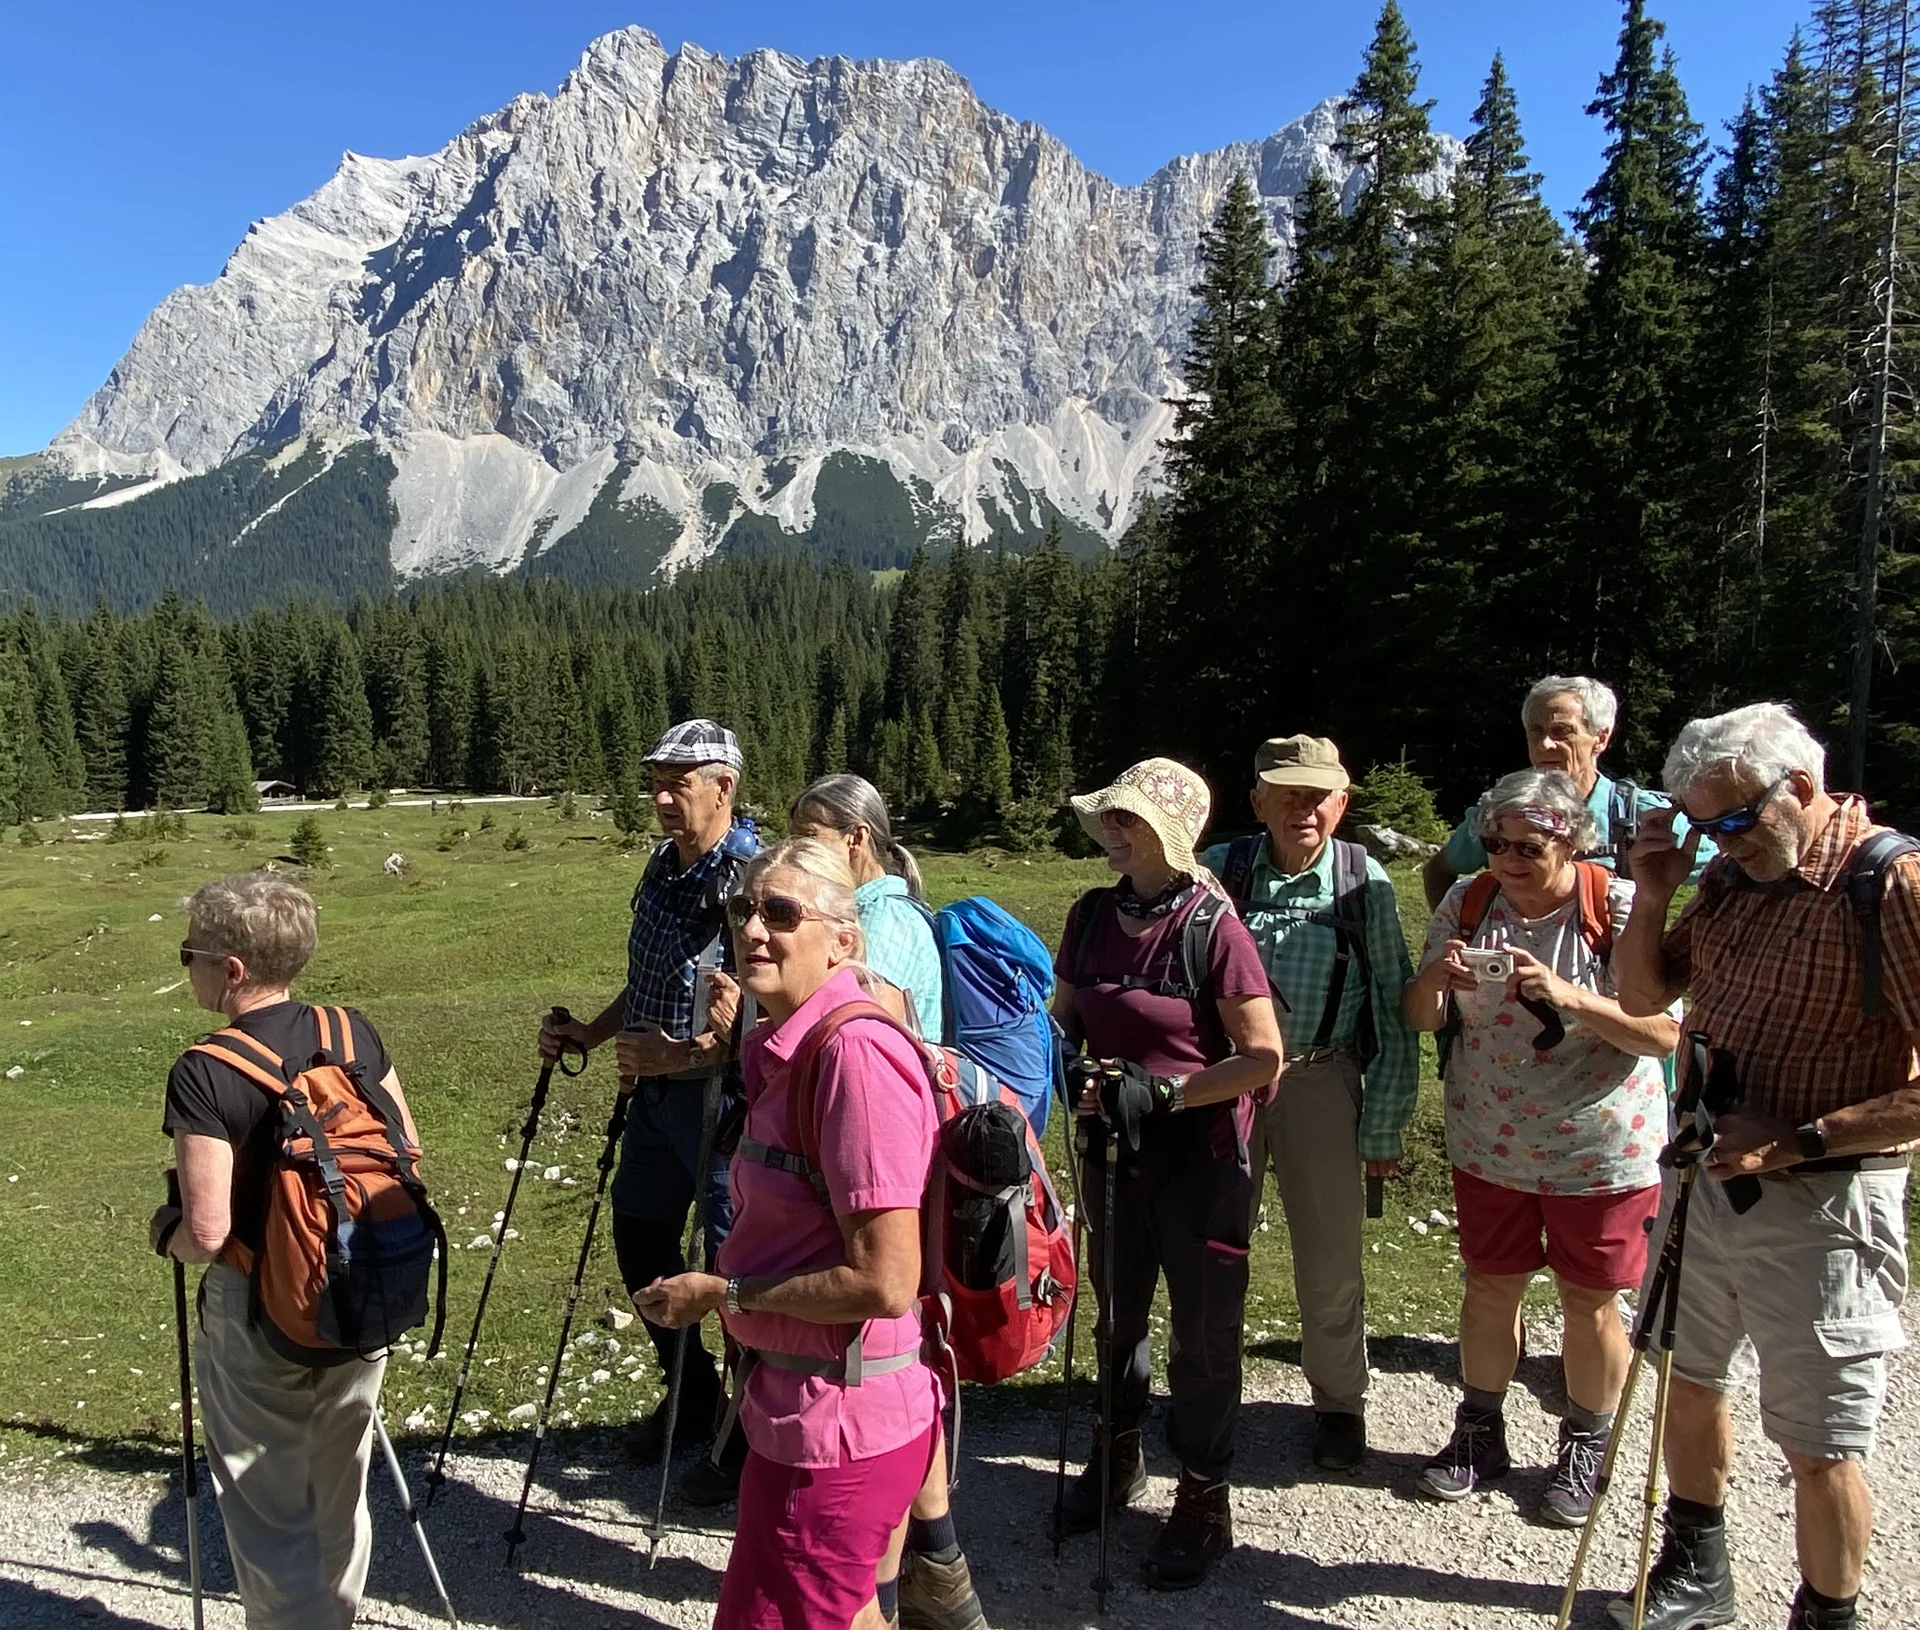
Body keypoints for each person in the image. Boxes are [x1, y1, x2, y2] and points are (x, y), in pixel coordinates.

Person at [1611, 703, 1920, 1630]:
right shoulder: (1735, 879)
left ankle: (1829, 1614)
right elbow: (1641, 995)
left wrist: (1796, 1140)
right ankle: (1698, 1568)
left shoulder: (1891, 883)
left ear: (1799, 786)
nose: (1720, 842)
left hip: (1824, 1203)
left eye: (1733, 820)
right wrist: (1660, 889)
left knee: (1820, 1440)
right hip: (1706, 1181)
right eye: (1703, 826)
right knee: (1688, 1376)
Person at [637, 838, 941, 1630]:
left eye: (779, 912)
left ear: (844, 940)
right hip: (800, 1408)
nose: (753, 930)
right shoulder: (790, 1046)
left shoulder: (854, 1058)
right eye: (744, 910)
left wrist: (723, 1292)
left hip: (840, 1425)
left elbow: (886, 1281)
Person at [1403, 770, 1677, 1525]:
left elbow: (1664, 1033)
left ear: (1572, 838)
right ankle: (1480, 1431)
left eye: (1529, 845)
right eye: (1495, 844)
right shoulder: (1469, 901)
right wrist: (1437, 974)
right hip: (1489, 1140)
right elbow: (1421, 1017)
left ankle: (1587, 1444)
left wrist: (1571, 997)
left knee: (1591, 1303)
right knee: (1491, 1287)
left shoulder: (1615, 907)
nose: (1509, 859)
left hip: (1601, 1150)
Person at [149, 872, 417, 1629]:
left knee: (270, 1517)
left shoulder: (206, 1071)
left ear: (232, 968)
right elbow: (409, 1150)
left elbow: (205, 1234)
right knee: (339, 1489)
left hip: (260, 1309)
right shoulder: (350, 1031)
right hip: (363, 1286)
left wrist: (159, 1231)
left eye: (189, 954)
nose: (187, 966)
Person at [1053, 757, 1285, 1590]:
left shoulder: (1212, 928)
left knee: (1204, 1334)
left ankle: (1204, 1498)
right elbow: (1065, 1021)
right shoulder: (1088, 916)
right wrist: (1074, 1075)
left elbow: (1263, 1058)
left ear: (1172, 835)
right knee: (1116, 1313)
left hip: (1202, 1161)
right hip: (1113, 1151)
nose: (1114, 831)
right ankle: (1115, 1461)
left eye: (1131, 820)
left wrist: (1172, 1092)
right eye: (1110, 817)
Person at [536, 719, 758, 1502]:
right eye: (656, 782)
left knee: (736, 1270)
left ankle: (749, 1443)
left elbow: (771, 1024)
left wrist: (684, 1055)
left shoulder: (752, 883)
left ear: (722, 787)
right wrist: (591, 1036)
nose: (662, 798)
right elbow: (652, 979)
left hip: (727, 1108)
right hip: (658, 1104)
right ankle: (695, 1393)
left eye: (678, 783)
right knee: (640, 1236)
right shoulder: (665, 867)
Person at [784, 773, 982, 1630]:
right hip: (870, 1155)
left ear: (854, 843)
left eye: (809, 834)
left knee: (882, 1362)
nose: (792, 851)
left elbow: (872, 1023)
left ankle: (887, 1590)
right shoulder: (881, 914)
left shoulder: (888, 924)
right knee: (896, 1358)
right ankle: (937, 1568)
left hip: (883, 1163)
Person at [1198, 734, 1419, 1472]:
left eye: (1318, 794)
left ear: (1342, 803)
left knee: (1329, 1258)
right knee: (1215, 1249)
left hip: (1324, 1082)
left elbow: (1393, 1006)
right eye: (1287, 793)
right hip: (1227, 1086)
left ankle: (1338, 1403)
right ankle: (1208, 1391)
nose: (1304, 808)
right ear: (1257, 800)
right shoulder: (1220, 872)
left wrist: (1383, 1120)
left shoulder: (1365, 882)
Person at [1423, 675, 1697, 911]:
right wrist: (1454, 934)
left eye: (1561, 731)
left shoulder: (1637, 814)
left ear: (1600, 738)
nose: (1544, 744)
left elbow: (1724, 866)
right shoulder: (1501, 810)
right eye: (1536, 731)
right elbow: (1439, 870)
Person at [790, 773, 944, 1038]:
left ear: (856, 838)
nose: (795, 852)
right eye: (793, 840)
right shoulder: (861, 912)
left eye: (808, 837)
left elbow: (863, 1030)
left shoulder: (886, 919)